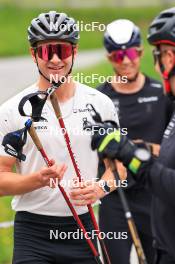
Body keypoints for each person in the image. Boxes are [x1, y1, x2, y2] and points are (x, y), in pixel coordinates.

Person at [0, 11, 119, 264]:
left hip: (83, 228)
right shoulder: (12, 110)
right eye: (46, 51)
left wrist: (100, 188)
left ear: (74, 52)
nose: (55, 59)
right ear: (33, 55)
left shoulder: (101, 104)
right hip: (32, 233)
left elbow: (117, 167)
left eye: (62, 50)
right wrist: (37, 180)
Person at [89, 7, 175, 264]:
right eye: (118, 55)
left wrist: (134, 148)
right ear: (109, 58)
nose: (126, 60)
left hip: (153, 193)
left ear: (140, 53)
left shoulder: (162, 92)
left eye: (131, 53)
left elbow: (168, 147)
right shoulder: (99, 97)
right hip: (117, 197)